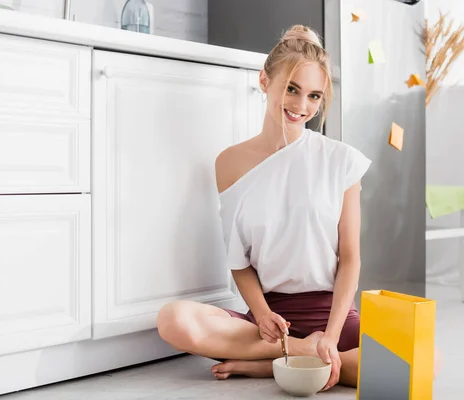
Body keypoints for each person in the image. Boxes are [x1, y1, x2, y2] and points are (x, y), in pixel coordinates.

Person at [157, 24, 440, 391]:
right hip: (269, 324)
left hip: (332, 314)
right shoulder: (229, 163)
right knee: (173, 319)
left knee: (426, 358)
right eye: (292, 89)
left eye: (314, 96)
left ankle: (278, 364)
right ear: (264, 81)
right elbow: (238, 260)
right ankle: (297, 356)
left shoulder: (341, 161)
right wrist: (260, 315)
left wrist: (331, 334)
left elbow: (350, 258)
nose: (301, 106)